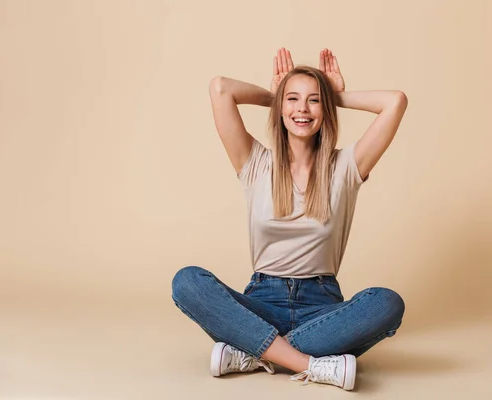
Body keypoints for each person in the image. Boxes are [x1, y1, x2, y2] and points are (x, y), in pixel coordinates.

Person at [171, 48, 408, 391]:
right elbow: (221, 88)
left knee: (388, 303)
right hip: (260, 302)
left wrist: (334, 95)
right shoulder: (254, 163)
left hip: (322, 309)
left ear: (325, 109)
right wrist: (276, 95)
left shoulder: (346, 167)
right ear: (281, 107)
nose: (302, 109)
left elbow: (395, 101)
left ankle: (255, 352)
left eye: (314, 101)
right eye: (293, 100)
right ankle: (311, 364)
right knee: (187, 282)